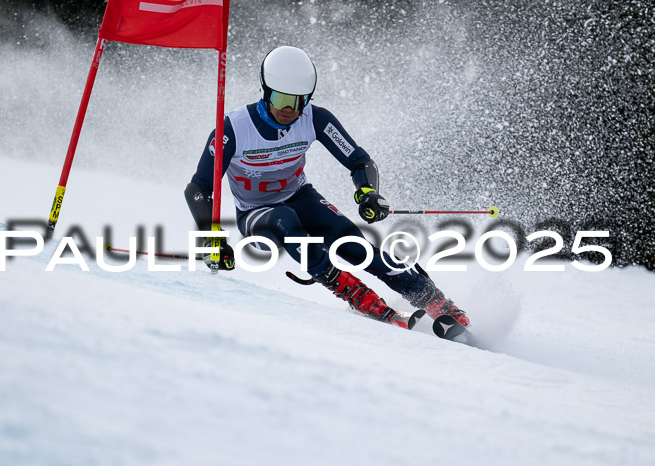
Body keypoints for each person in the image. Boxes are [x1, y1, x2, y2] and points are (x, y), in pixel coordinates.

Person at [184, 46, 469, 327]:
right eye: (281, 98)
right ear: (265, 91)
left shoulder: (314, 117)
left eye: (299, 101)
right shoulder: (234, 128)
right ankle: (355, 294)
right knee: (286, 221)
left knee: (352, 243)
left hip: (299, 196)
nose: (289, 109)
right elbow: (197, 188)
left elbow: (360, 161)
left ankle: (433, 299)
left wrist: (368, 192)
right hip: (258, 213)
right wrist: (212, 237)